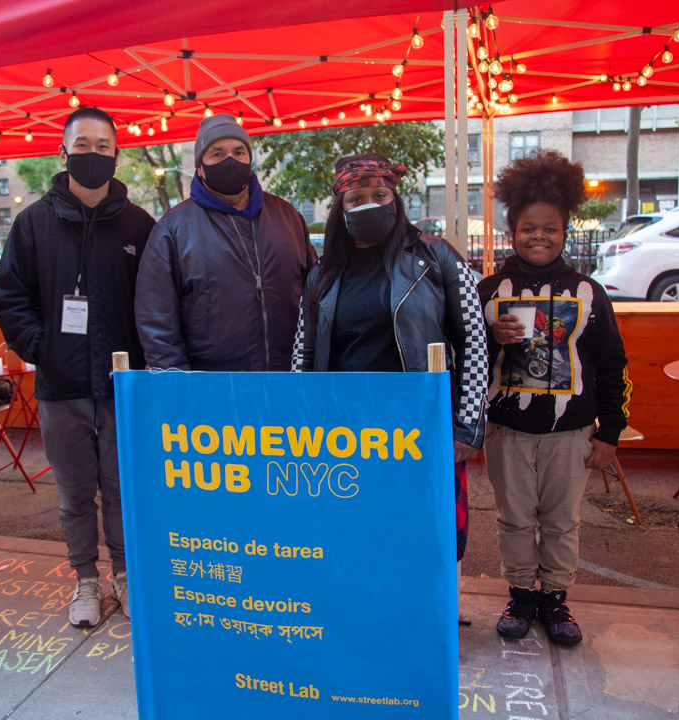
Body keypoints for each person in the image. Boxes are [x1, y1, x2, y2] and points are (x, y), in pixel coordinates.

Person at [292, 152, 489, 585]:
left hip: (419, 427)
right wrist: (301, 421)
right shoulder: (322, 274)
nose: (368, 205)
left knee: (428, 527)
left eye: (379, 194)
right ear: (339, 208)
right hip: (344, 432)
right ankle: (364, 613)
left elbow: (473, 340)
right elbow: (302, 356)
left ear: (396, 199)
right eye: (355, 198)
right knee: (355, 530)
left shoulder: (436, 258)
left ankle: (431, 615)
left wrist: (466, 426)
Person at [0, 106, 154, 628]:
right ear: (63, 153)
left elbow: (158, 301)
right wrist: (44, 347)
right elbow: (10, 297)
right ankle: (86, 579)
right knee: (75, 495)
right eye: (81, 145)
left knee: (122, 490)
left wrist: (145, 363)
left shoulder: (139, 225)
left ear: (116, 154)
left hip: (122, 388)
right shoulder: (33, 223)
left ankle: (126, 577)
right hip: (62, 387)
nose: (92, 154)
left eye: (102, 146)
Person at [477, 149, 631, 647]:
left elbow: (612, 366)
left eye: (550, 229)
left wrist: (609, 431)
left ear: (566, 231)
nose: (538, 237)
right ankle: (521, 593)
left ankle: (556, 599)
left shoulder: (590, 292)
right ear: (511, 231)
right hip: (508, 431)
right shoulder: (488, 290)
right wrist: (488, 336)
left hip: (572, 433)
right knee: (514, 518)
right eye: (528, 228)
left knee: (563, 521)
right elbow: (463, 357)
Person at [135, 113, 315, 371]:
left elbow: (314, 294)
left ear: (250, 160)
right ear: (200, 166)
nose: (231, 159)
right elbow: (156, 320)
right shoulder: (172, 230)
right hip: (211, 386)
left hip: (287, 378)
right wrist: (177, 385)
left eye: (239, 152)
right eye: (217, 153)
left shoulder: (288, 218)